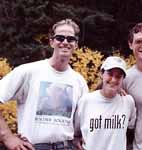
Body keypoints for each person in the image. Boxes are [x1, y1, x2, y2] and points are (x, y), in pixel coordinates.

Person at [0, 18, 88, 150]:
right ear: (51, 42)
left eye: (70, 39)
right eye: (60, 38)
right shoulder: (28, 72)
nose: (65, 42)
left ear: (75, 44)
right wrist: (7, 137)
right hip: (33, 147)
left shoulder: (79, 81)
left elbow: (81, 122)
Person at [74, 56, 136, 150]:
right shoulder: (86, 101)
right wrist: (76, 139)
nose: (114, 79)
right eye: (110, 74)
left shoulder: (128, 102)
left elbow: (132, 129)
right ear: (102, 74)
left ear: (123, 79)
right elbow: (76, 133)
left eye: (118, 76)